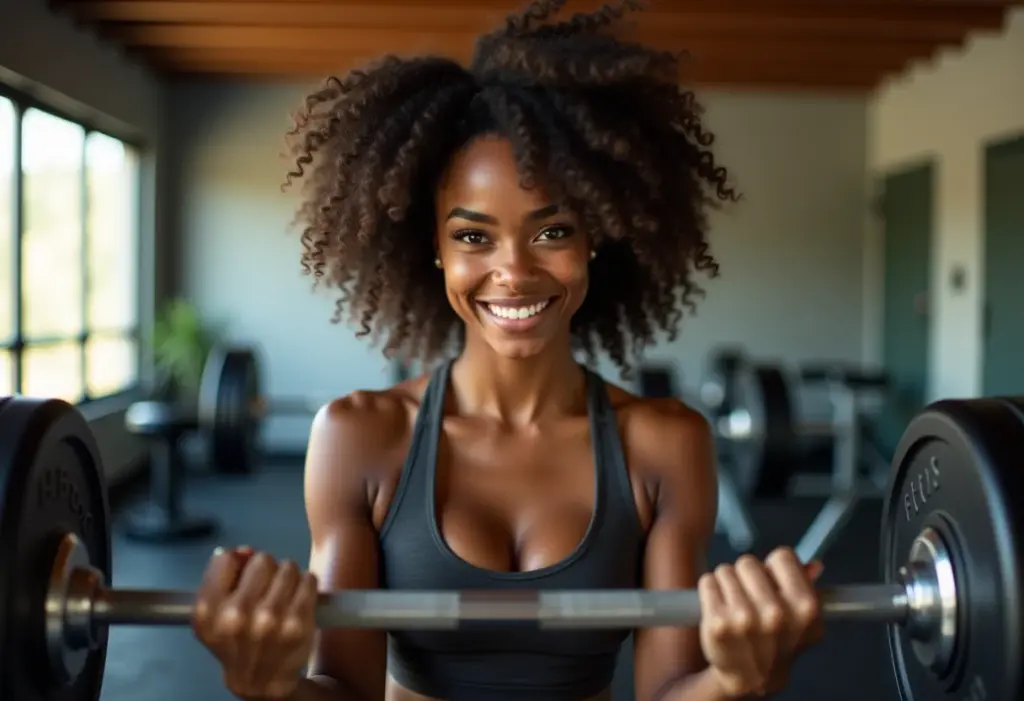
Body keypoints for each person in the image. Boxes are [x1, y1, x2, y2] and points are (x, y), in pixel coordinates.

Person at [191, 1, 826, 699]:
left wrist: (737, 677)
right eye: (473, 236)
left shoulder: (666, 445)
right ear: (432, 248)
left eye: (552, 232)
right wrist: (274, 685)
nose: (514, 270)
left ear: (596, 238)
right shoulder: (359, 436)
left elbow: (669, 689)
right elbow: (340, 687)